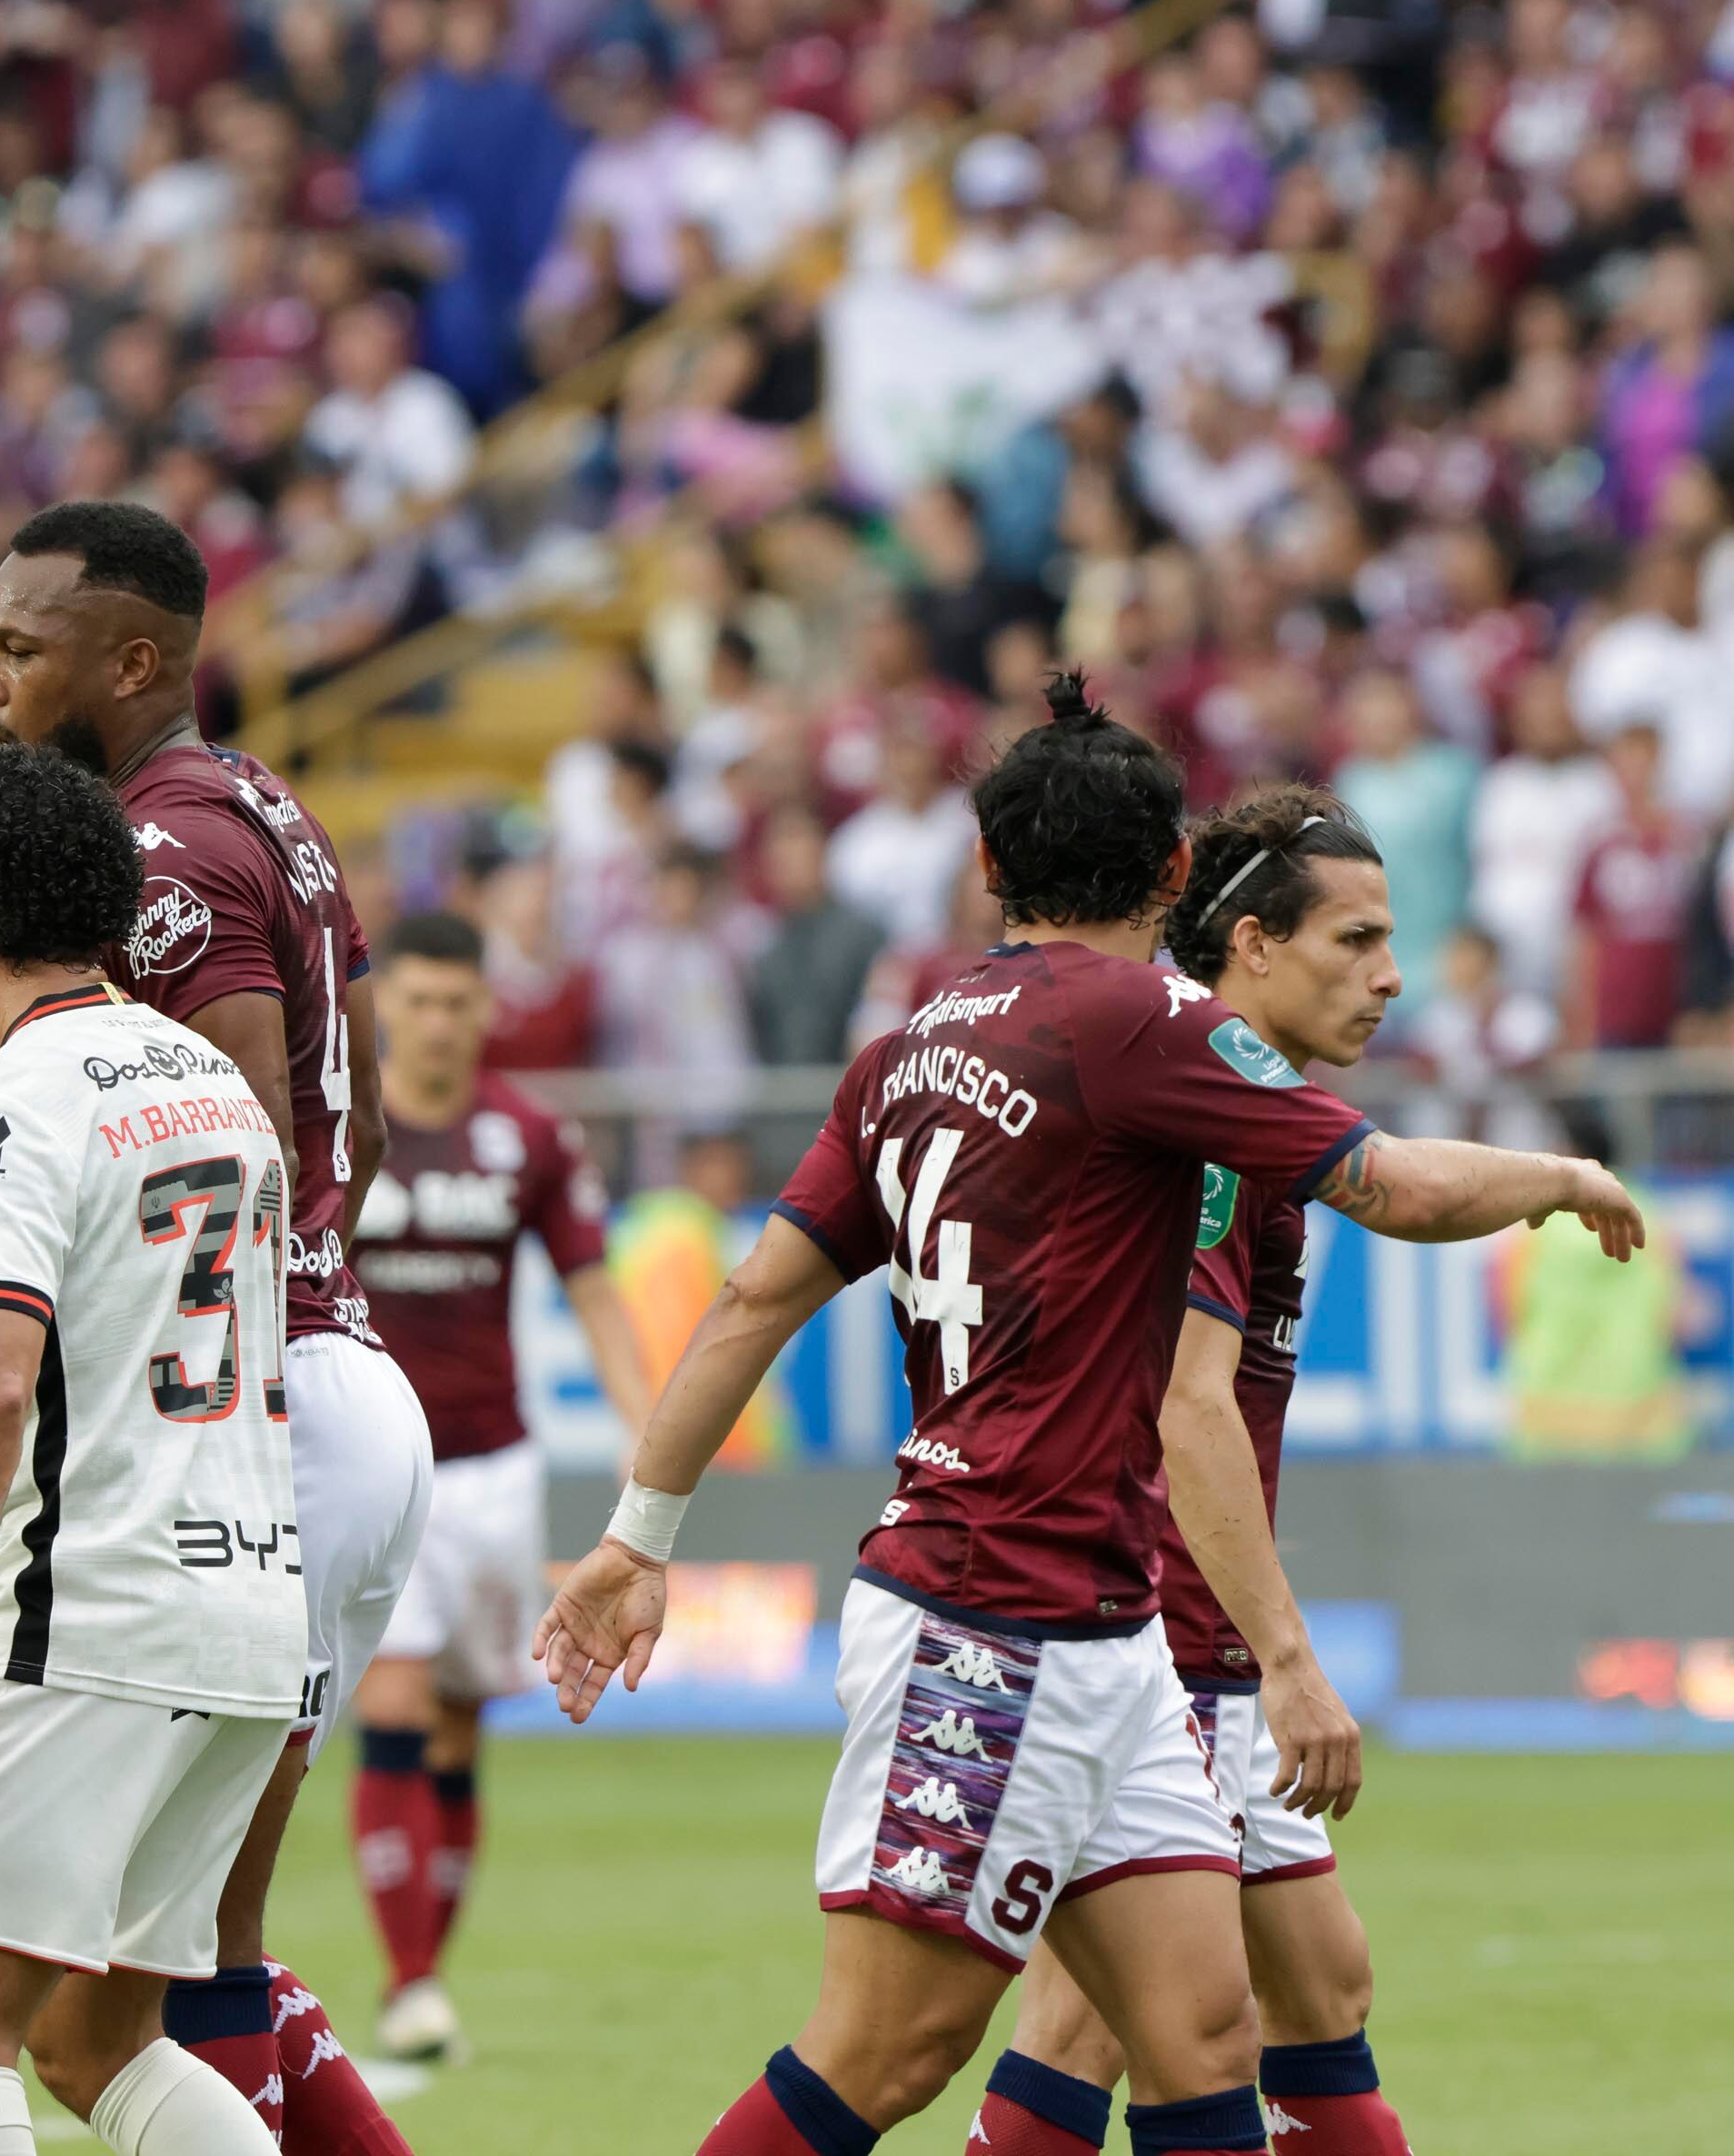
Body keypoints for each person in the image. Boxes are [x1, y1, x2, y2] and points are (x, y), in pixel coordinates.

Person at [533, 672, 1644, 2156]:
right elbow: (1403, 1188)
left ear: (989, 867)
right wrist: (1565, 1176)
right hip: (988, 1609)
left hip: (1103, 1631)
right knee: (889, 2050)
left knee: (1196, 2040)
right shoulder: (1147, 1028)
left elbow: (751, 1301)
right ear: (1178, 875)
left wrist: (637, 1533)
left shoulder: (907, 1049)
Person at [0, 500, 432, 2148]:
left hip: (262, 1423)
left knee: (127, 1981)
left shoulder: (160, 852)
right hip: (330, 1380)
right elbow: (352, 1133)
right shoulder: (266, 810)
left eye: (21, 649)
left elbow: (243, 1128)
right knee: (151, 1971)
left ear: (136, 659)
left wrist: (211, 1370)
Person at [0, 738, 304, 2156]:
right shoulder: (215, 1088)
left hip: (87, 1617)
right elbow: (143, 1300)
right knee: (98, 2040)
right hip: (246, 1621)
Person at [967, 788, 1417, 2156]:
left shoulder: (1243, 1114)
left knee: (1304, 1995)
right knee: (1099, 2025)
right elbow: (1187, 1407)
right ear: (1257, 948)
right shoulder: (1205, 1130)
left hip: (1183, 1639)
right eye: (1357, 939)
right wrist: (1289, 1657)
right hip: (1153, 1640)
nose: (1390, 976)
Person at [341, 909, 659, 2063]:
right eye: (412, 1001)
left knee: (466, 1719)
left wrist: (645, 1432)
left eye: (452, 1001)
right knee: (394, 1702)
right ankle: (410, 1980)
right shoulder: (344, 1131)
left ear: (484, 1009)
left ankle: (424, 1970)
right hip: (378, 1464)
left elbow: (593, 1289)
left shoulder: (528, 1137)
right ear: (392, 1010)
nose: (432, 1022)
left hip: (496, 1467)